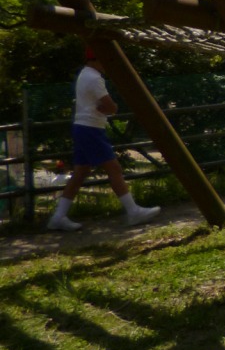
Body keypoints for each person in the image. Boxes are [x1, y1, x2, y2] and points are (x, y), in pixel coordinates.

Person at [46, 48, 161, 231]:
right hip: (91, 128)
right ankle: (133, 211)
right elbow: (110, 106)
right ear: (97, 59)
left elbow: (104, 106)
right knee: (114, 168)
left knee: (80, 173)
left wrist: (107, 108)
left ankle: (58, 216)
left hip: (83, 127)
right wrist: (112, 107)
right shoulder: (94, 78)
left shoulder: (85, 74)